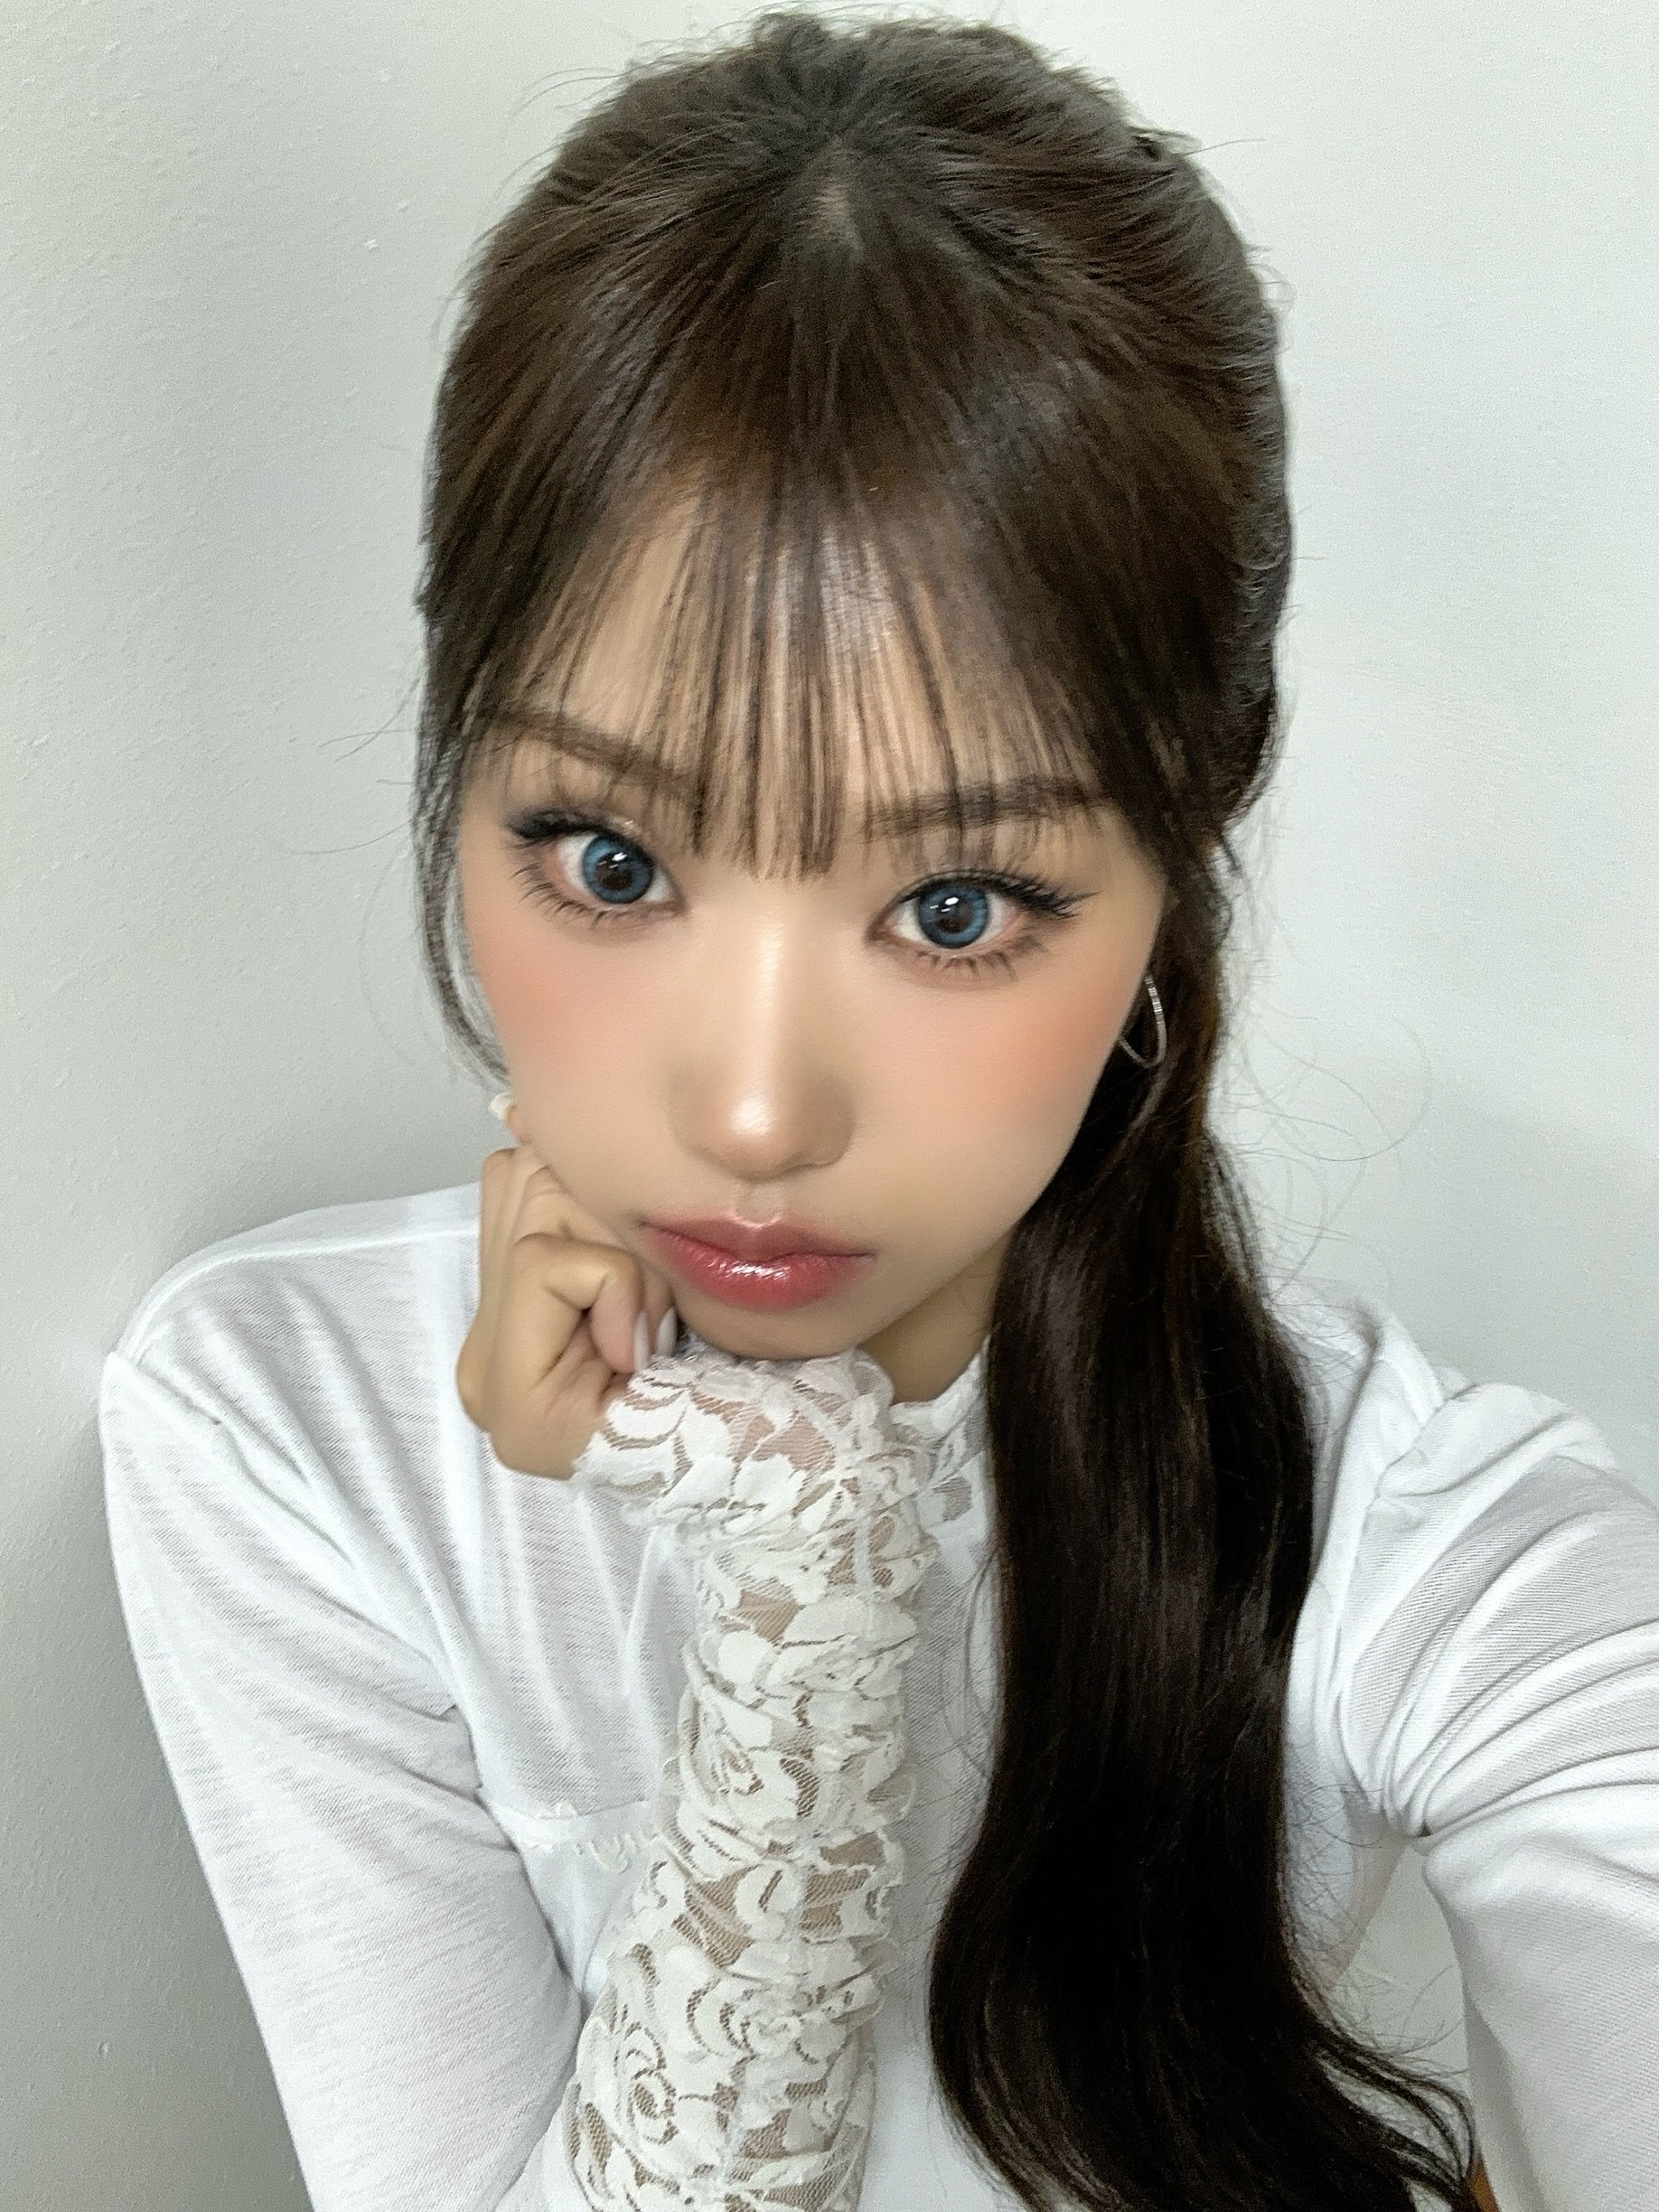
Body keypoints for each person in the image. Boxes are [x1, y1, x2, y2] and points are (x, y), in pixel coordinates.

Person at [98, 13, 1656, 2212]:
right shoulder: (288, 1428)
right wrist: (798, 1579)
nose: (752, 1113)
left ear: (1185, 844)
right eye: (609, 859)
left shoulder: (1409, 1533)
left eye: (955, 904)